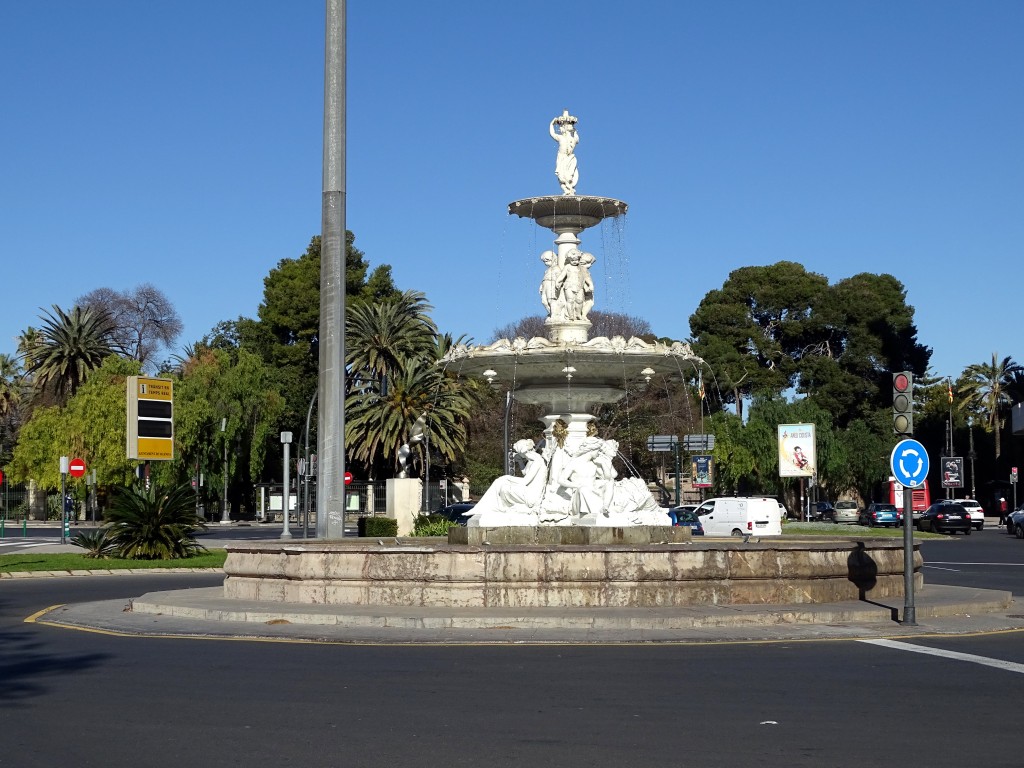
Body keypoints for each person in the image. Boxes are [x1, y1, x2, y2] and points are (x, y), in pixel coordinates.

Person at [550, 111, 579, 195]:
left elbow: (577, 139)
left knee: (569, 176)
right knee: (561, 178)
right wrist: (551, 124)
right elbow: (552, 133)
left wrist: (574, 131)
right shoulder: (560, 137)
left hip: (570, 158)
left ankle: (569, 188)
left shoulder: (573, 138)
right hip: (561, 158)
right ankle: (567, 190)